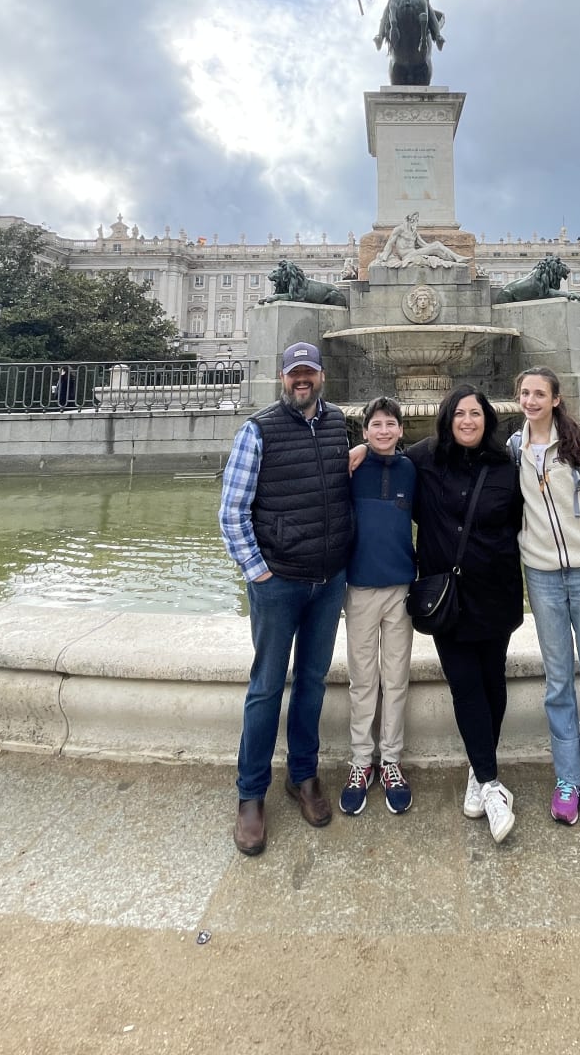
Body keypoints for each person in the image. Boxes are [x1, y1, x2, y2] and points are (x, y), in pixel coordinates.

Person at [218, 341, 354, 857]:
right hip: (279, 582)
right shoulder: (258, 430)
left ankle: (303, 776)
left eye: (310, 374)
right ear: (283, 378)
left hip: (327, 580)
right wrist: (259, 573)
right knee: (266, 687)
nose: (303, 381)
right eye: (295, 374)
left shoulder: (338, 422)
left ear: (321, 378)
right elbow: (232, 512)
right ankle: (250, 795)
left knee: (313, 684)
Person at [406, 385, 524, 843]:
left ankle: (479, 771)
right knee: (466, 685)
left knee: (493, 683)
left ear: (487, 420)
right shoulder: (424, 459)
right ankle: (492, 784)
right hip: (447, 598)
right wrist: (358, 449)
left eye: (475, 414)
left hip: (495, 592)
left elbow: (525, 521)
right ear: (447, 419)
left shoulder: (505, 468)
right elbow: (384, 456)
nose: (468, 421)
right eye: (460, 414)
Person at [513, 367, 580, 827]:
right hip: (541, 577)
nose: (531, 400)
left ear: (556, 399)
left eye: (540, 393)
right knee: (557, 681)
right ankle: (567, 777)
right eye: (525, 393)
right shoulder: (514, 448)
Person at [340, 397, 417, 817]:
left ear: (401, 430)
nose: (384, 430)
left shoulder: (410, 469)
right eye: (376, 425)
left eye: (391, 424)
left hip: (401, 588)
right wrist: (358, 452)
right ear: (364, 431)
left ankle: (391, 761)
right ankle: (359, 762)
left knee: (397, 678)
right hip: (360, 589)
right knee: (363, 679)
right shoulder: (350, 467)